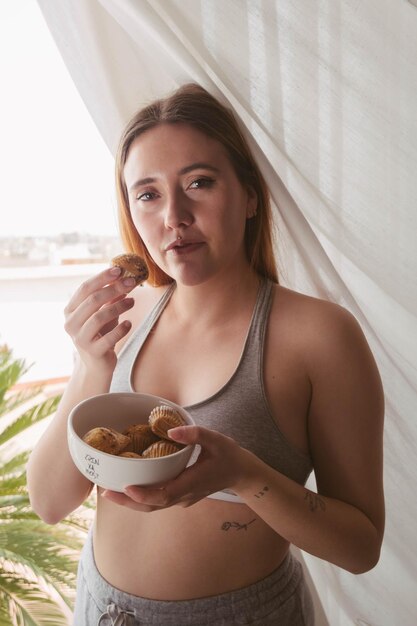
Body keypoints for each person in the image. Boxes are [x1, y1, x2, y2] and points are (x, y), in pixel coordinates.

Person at [26, 83, 385, 626]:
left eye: (199, 182)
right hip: (99, 608)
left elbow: (360, 548)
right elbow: (50, 502)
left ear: (249, 196)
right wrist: (92, 367)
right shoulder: (123, 316)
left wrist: (241, 475)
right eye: (147, 193)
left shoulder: (319, 336)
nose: (174, 215)